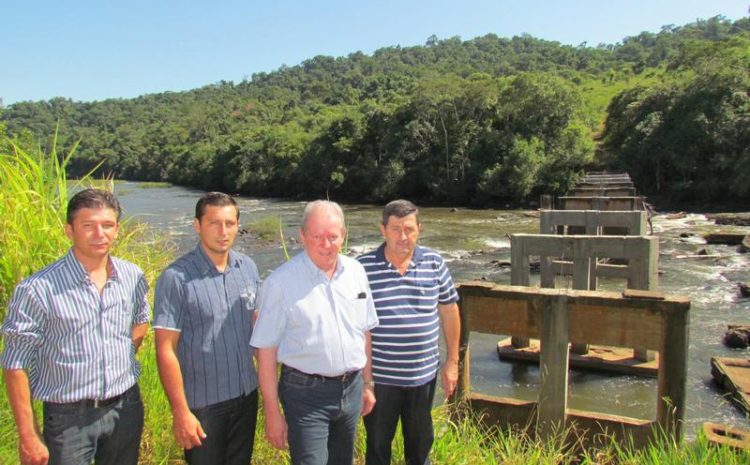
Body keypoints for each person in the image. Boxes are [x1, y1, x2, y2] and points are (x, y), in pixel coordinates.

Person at [1, 188, 150, 465]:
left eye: (107, 225)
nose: (99, 233)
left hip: (125, 407)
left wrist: (120, 356)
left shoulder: (132, 276)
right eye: (88, 226)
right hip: (69, 418)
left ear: (117, 229)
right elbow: (15, 363)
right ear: (69, 231)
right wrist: (28, 434)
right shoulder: (37, 289)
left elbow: (141, 319)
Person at [250, 200, 379, 465]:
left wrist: (367, 384)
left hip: (351, 388)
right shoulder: (280, 283)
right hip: (305, 394)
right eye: (317, 236)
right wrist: (272, 412)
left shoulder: (356, 272)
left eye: (333, 236)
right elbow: (265, 350)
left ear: (343, 235)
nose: (326, 244)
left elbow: (364, 332)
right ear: (302, 236)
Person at [153, 192, 261, 465]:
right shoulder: (176, 277)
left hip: (246, 397)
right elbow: (166, 348)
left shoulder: (247, 268)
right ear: (197, 225)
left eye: (229, 223)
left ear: (238, 225)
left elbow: (259, 331)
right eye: (214, 223)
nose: (222, 231)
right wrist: (181, 412)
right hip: (203, 405)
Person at [357, 199, 460, 465]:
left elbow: (449, 310)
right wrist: (364, 381)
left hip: (422, 377)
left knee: (420, 447)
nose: (403, 236)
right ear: (383, 230)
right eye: (395, 229)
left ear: (419, 229)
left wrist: (452, 362)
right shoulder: (362, 268)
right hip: (381, 380)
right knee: (378, 447)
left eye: (409, 229)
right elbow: (353, 323)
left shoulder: (434, 263)